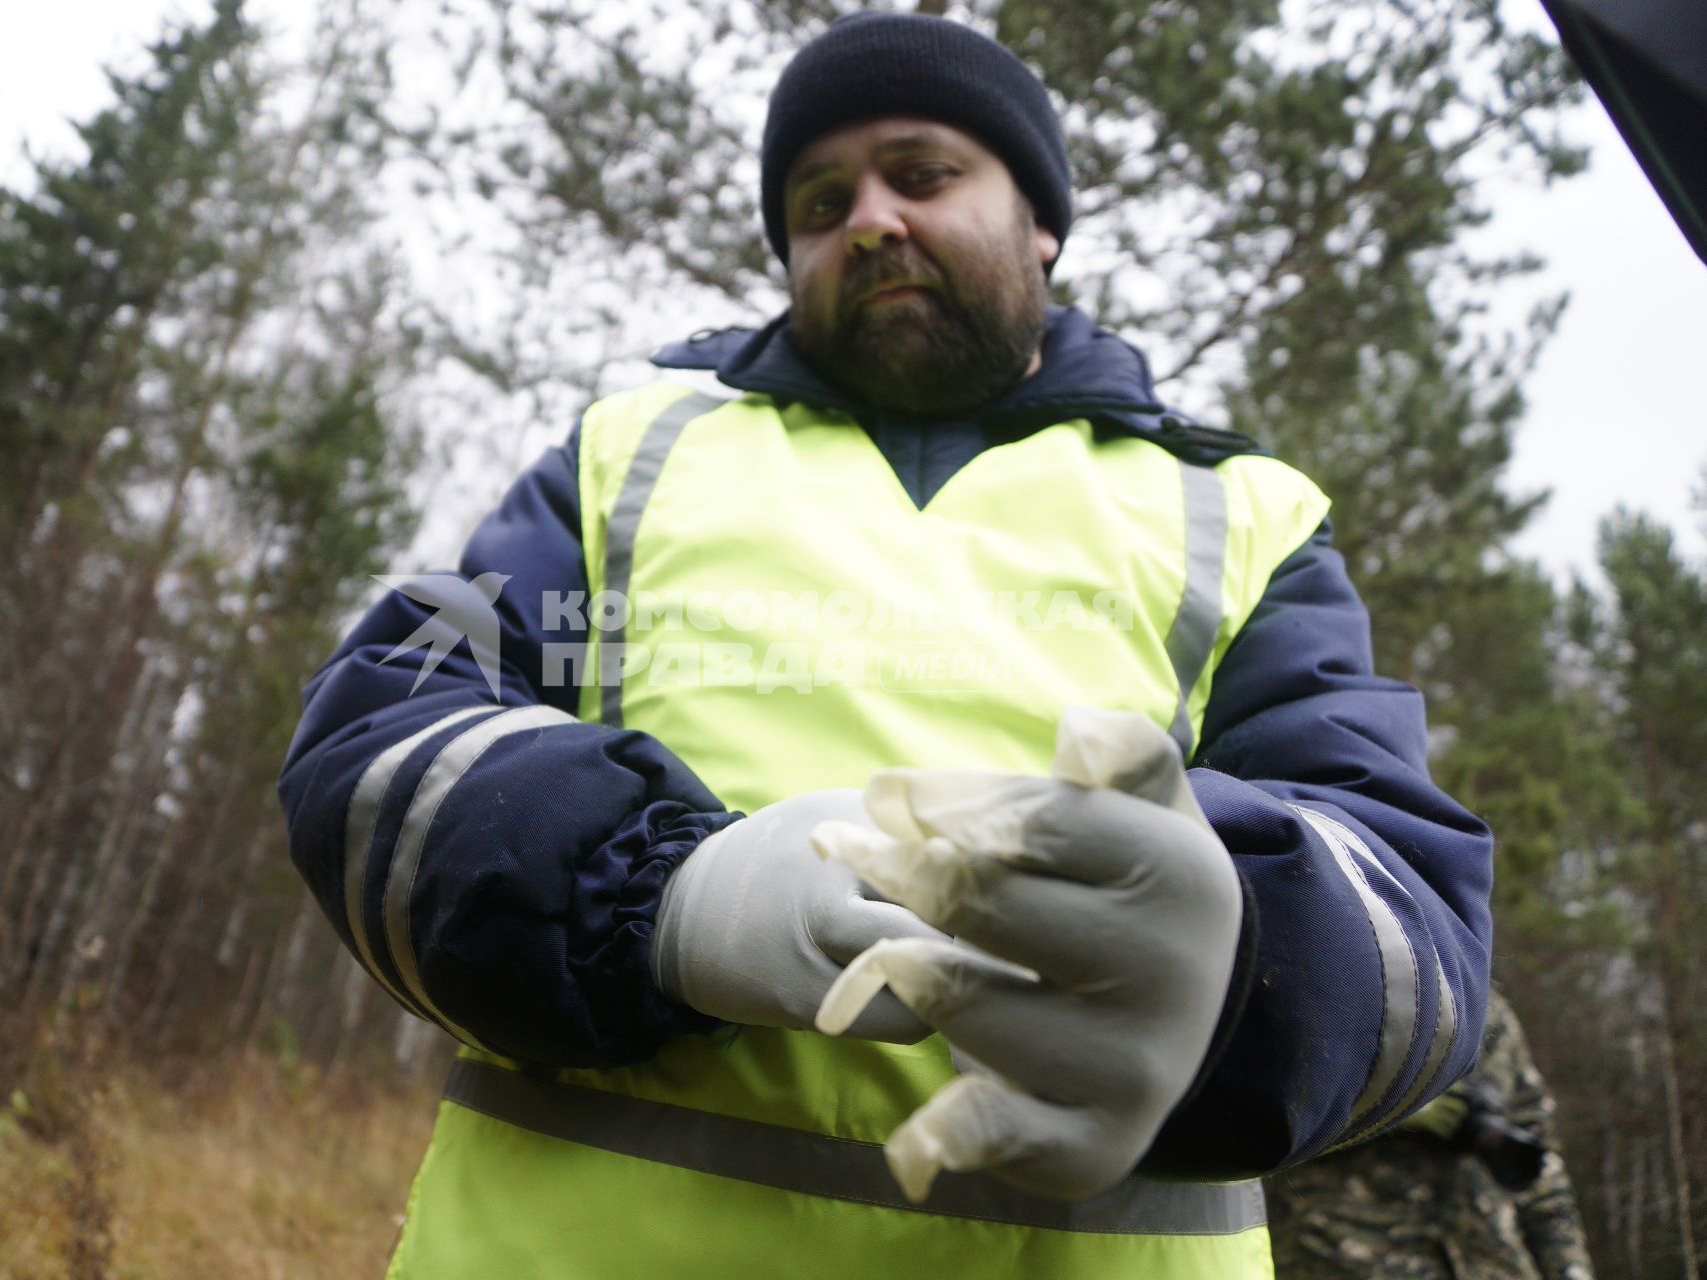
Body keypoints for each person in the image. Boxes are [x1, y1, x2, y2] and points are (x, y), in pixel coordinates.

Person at [278, 13, 1495, 1277]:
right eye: (817, 203)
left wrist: (1245, 962)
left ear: (1040, 222)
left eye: (920, 175)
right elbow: (384, 737)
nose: (865, 220)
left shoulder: (1238, 509)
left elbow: (1415, 913)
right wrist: (660, 901)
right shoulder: (631, 452)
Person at [1268, 989, 1597, 1280]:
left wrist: (1570, 1270)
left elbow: (1541, 1176)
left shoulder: (1487, 1010)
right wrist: (1389, 1109)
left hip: (1490, 1261)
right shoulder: (1331, 976)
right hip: (1347, 1254)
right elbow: (1264, 1109)